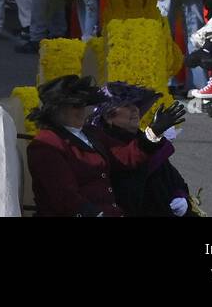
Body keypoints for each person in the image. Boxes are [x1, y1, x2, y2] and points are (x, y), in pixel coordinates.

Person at [25, 74, 185, 217]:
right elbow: (64, 197)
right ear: (57, 110)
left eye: (83, 104)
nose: (81, 110)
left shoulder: (91, 133)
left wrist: (154, 132)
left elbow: (125, 157)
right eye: (75, 105)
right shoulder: (46, 145)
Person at [87, 83, 196, 217]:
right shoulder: (107, 145)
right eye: (127, 105)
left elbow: (173, 178)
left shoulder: (142, 138)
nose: (135, 109)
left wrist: (180, 196)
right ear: (109, 117)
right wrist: (152, 134)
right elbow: (131, 171)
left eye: (136, 104)